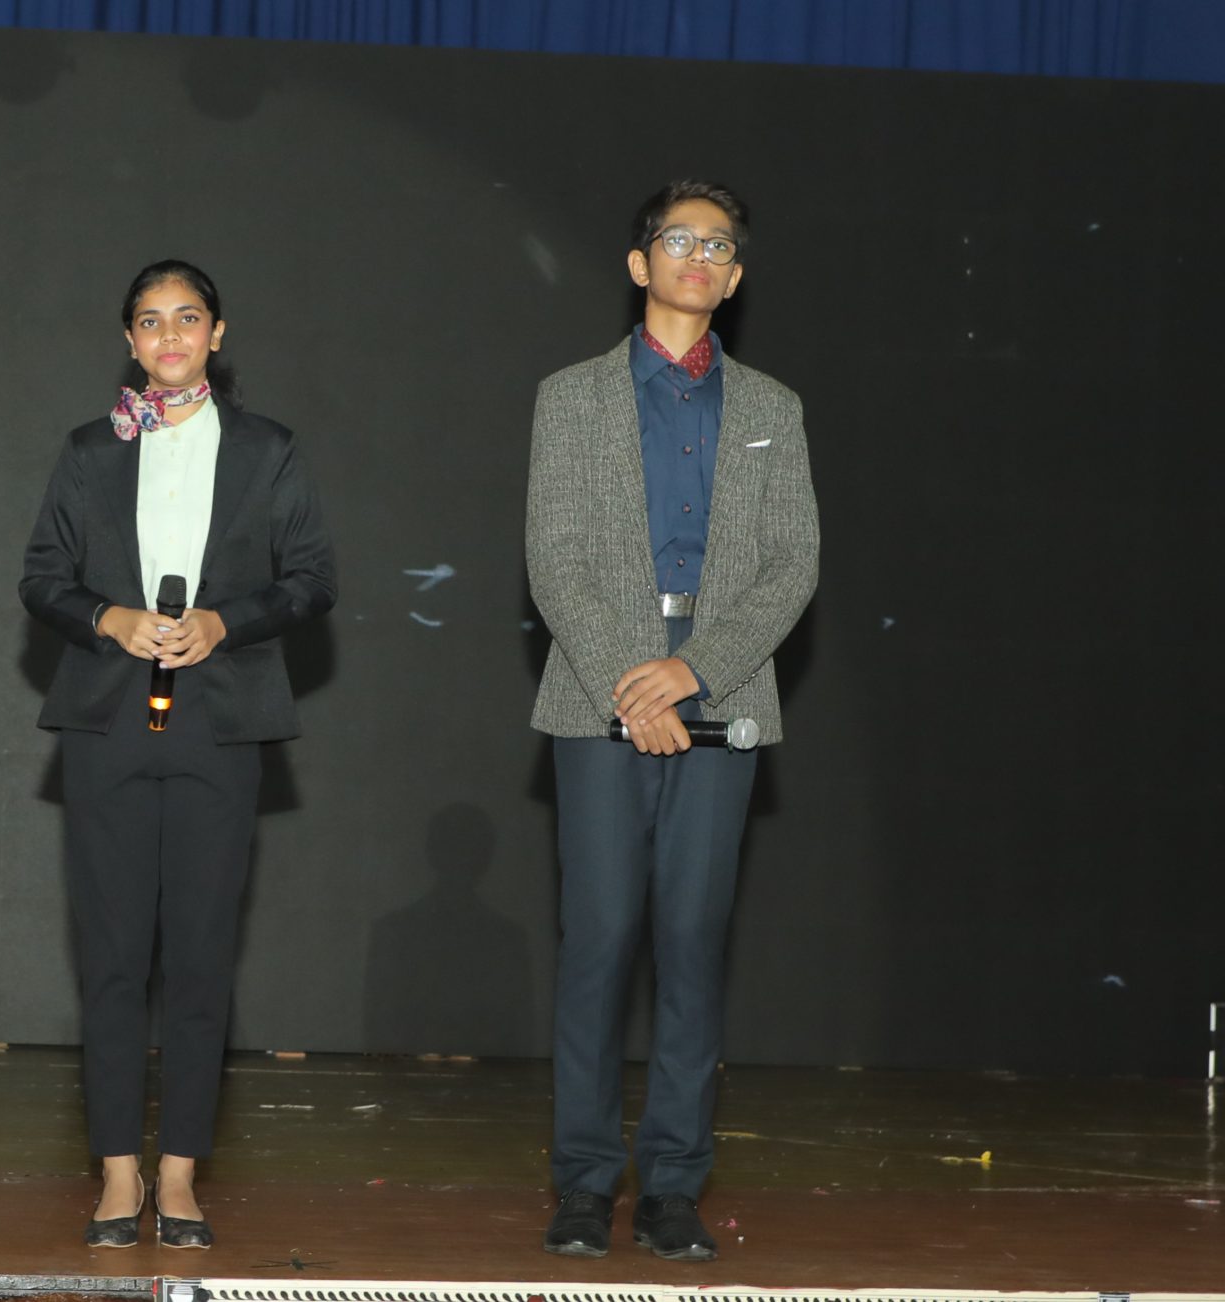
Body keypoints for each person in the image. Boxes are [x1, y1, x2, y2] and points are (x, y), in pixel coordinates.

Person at [524, 182, 819, 1261]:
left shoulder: (774, 409)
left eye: (719, 246)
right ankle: (582, 1181)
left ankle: (673, 1187)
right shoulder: (571, 397)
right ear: (639, 263)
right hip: (598, 689)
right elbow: (553, 555)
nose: (699, 256)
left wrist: (690, 671)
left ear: (733, 278)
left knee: (692, 944)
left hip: (721, 687)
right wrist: (633, 681)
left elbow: (793, 566)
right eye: (679, 240)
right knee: (600, 940)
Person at [20, 259, 336, 1250]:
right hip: (108, 722)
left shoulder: (267, 450)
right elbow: (41, 577)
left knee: (200, 960)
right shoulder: (88, 450)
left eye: (187, 318)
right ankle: (118, 1174)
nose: (169, 336)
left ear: (216, 334)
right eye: (150, 321)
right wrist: (106, 617)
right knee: (113, 959)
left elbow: (311, 578)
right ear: (129, 340)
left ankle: (181, 1175)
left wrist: (224, 623)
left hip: (219, 721)